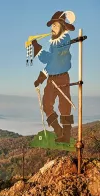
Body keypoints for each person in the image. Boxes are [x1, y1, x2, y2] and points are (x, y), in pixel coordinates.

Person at [31, 11, 75, 143]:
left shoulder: (64, 42)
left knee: (64, 105)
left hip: (62, 78)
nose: (52, 28)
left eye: (55, 25)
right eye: (52, 26)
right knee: (47, 105)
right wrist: (41, 78)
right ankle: (59, 131)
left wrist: (37, 49)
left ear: (62, 26)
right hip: (52, 78)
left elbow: (51, 59)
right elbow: (51, 64)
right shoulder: (54, 43)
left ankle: (66, 134)